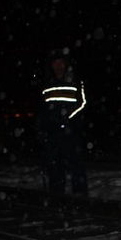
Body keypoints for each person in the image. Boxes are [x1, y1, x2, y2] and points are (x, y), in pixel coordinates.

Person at [37, 51, 88, 195]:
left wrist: (67, 118)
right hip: (52, 134)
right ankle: (57, 199)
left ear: (65, 64)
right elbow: (42, 109)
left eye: (61, 63)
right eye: (55, 63)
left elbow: (82, 104)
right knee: (55, 168)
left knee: (76, 167)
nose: (58, 66)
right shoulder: (47, 84)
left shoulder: (76, 81)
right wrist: (41, 128)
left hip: (72, 132)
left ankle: (80, 199)